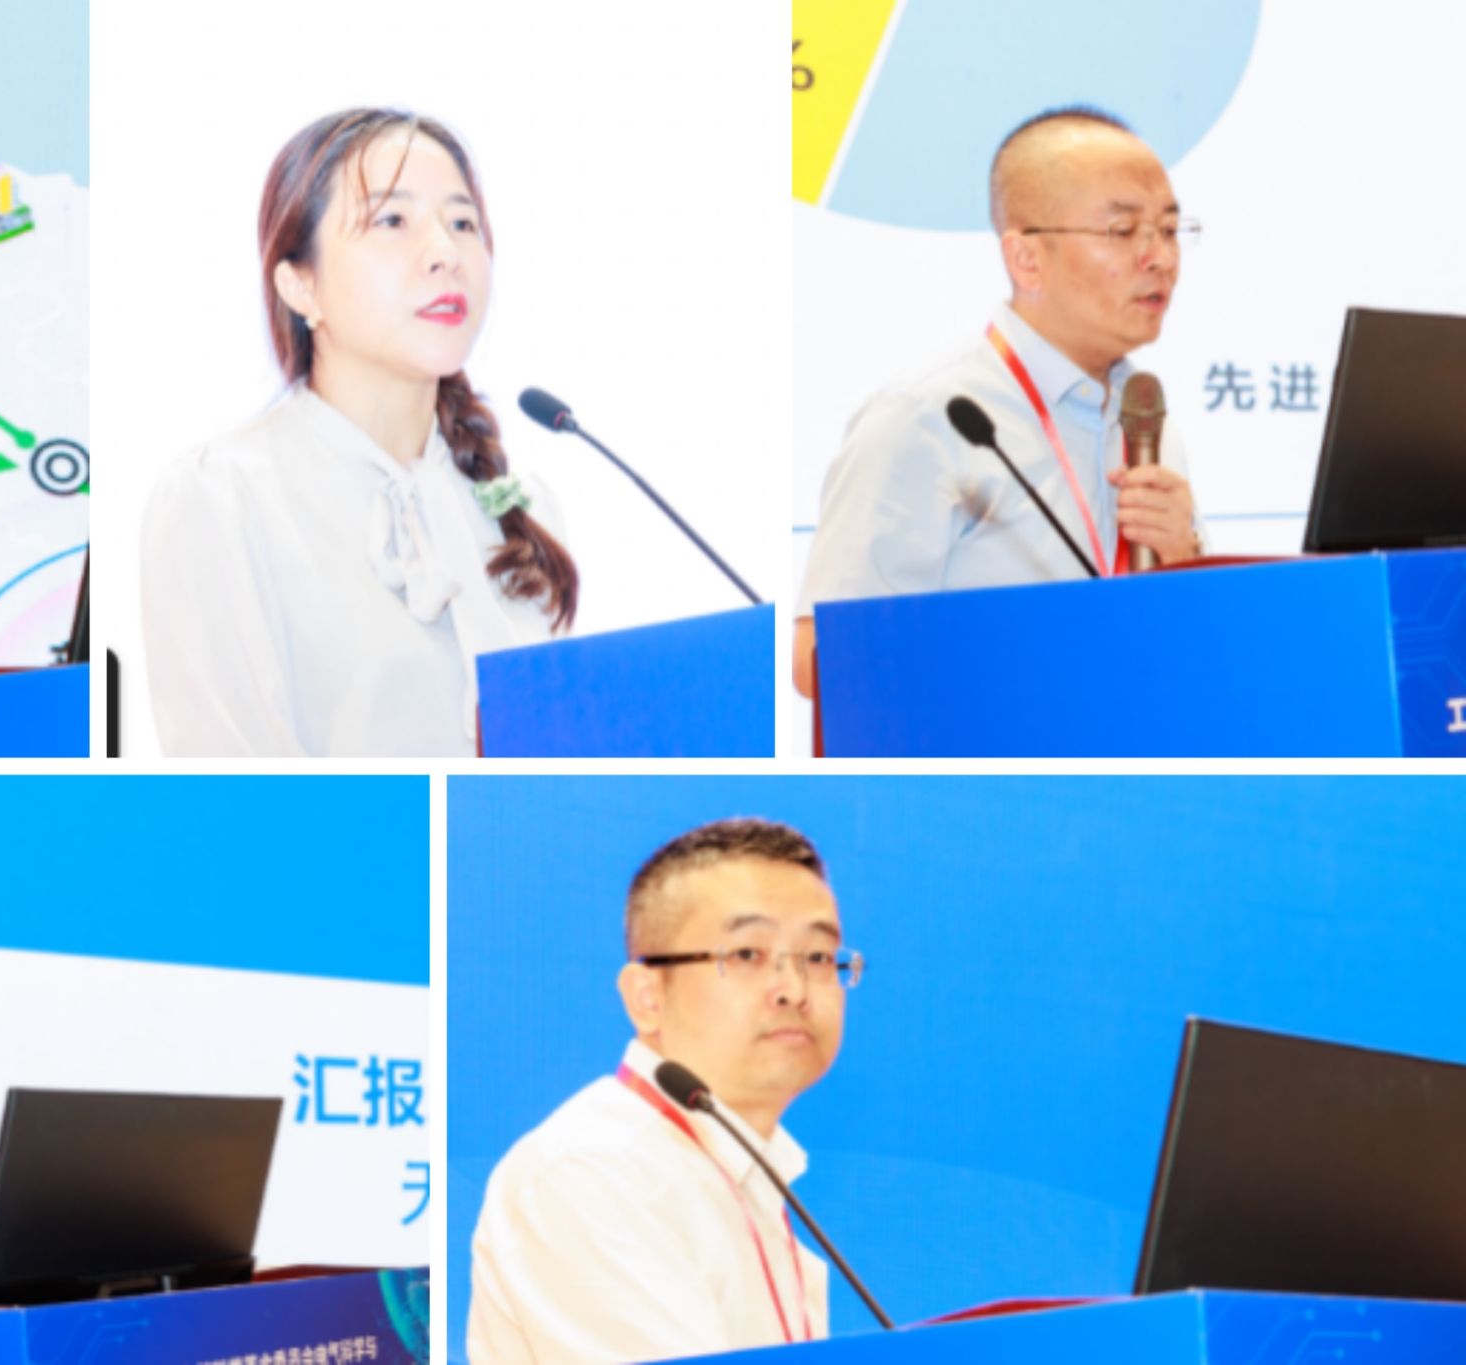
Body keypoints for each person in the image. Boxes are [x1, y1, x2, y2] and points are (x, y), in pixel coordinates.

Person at [140, 108, 579, 757]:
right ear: (300, 284)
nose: (446, 254)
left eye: (463, 223)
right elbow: (229, 794)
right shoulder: (222, 498)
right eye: (392, 221)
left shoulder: (527, 505)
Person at [793, 106, 1203, 698]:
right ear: (1026, 258)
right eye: (1122, 231)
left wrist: (1185, 557)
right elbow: (822, 662)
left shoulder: (1147, 422)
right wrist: (1029, 662)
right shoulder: (928, 417)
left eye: (1168, 230)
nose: (1160, 257)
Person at [468, 818, 860, 1362]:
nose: (793, 989)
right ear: (647, 998)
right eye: (747, 954)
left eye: (817, 957)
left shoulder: (743, 1168)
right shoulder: (591, 1170)